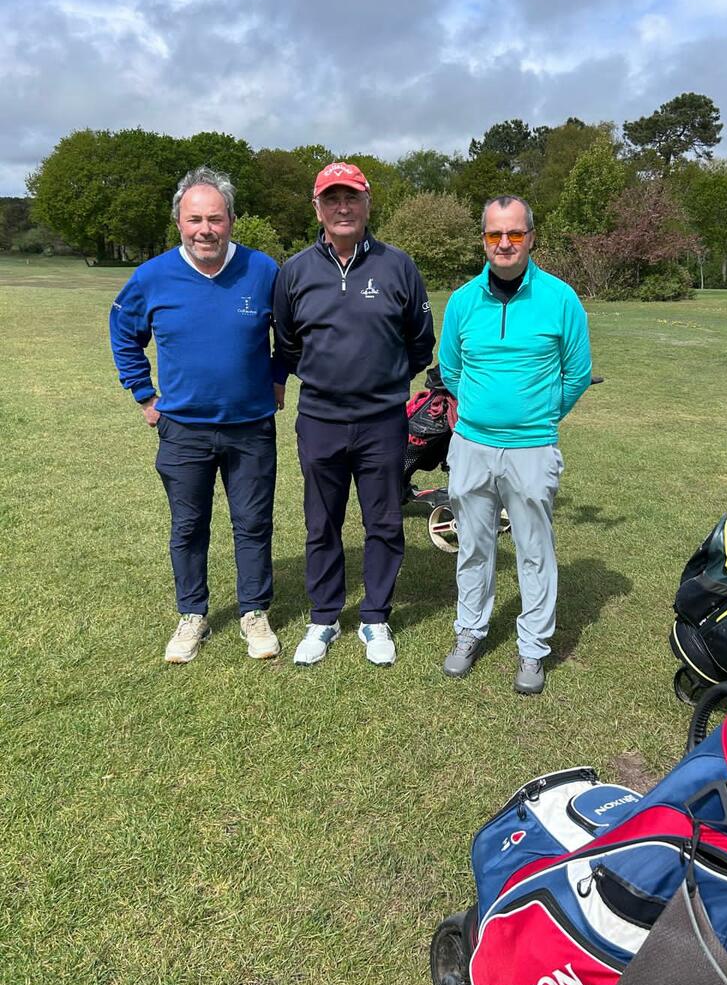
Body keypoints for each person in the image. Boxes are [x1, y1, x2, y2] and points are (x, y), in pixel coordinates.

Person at [109, 166, 286, 664]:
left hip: (250, 426)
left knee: (253, 523)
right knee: (188, 526)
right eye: (194, 220)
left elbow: (290, 332)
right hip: (183, 429)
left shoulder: (262, 270)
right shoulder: (152, 276)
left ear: (231, 220)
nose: (205, 229)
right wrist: (144, 395)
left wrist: (277, 376)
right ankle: (192, 613)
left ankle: (254, 611)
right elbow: (123, 331)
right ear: (179, 223)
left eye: (215, 218)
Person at [273, 161, 434, 668]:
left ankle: (375, 617)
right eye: (332, 199)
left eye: (352, 198)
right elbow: (288, 344)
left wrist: (382, 381)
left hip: (382, 421)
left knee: (383, 520)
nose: (342, 208)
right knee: (322, 522)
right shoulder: (295, 270)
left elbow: (420, 342)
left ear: (367, 204)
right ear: (317, 208)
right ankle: (324, 617)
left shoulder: (398, 266)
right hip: (319, 419)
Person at [438, 195, 592, 694]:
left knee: (534, 550)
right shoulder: (463, 301)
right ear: (483, 239)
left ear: (531, 237)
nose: (504, 243)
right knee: (473, 546)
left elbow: (577, 374)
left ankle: (533, 648)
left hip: (532, 449)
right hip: (471, 446)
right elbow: (451, 370)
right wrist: (481, 411)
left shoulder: (560, 298)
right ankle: (469, 631)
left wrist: (539, 416)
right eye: (494, 234)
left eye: (515, 233)